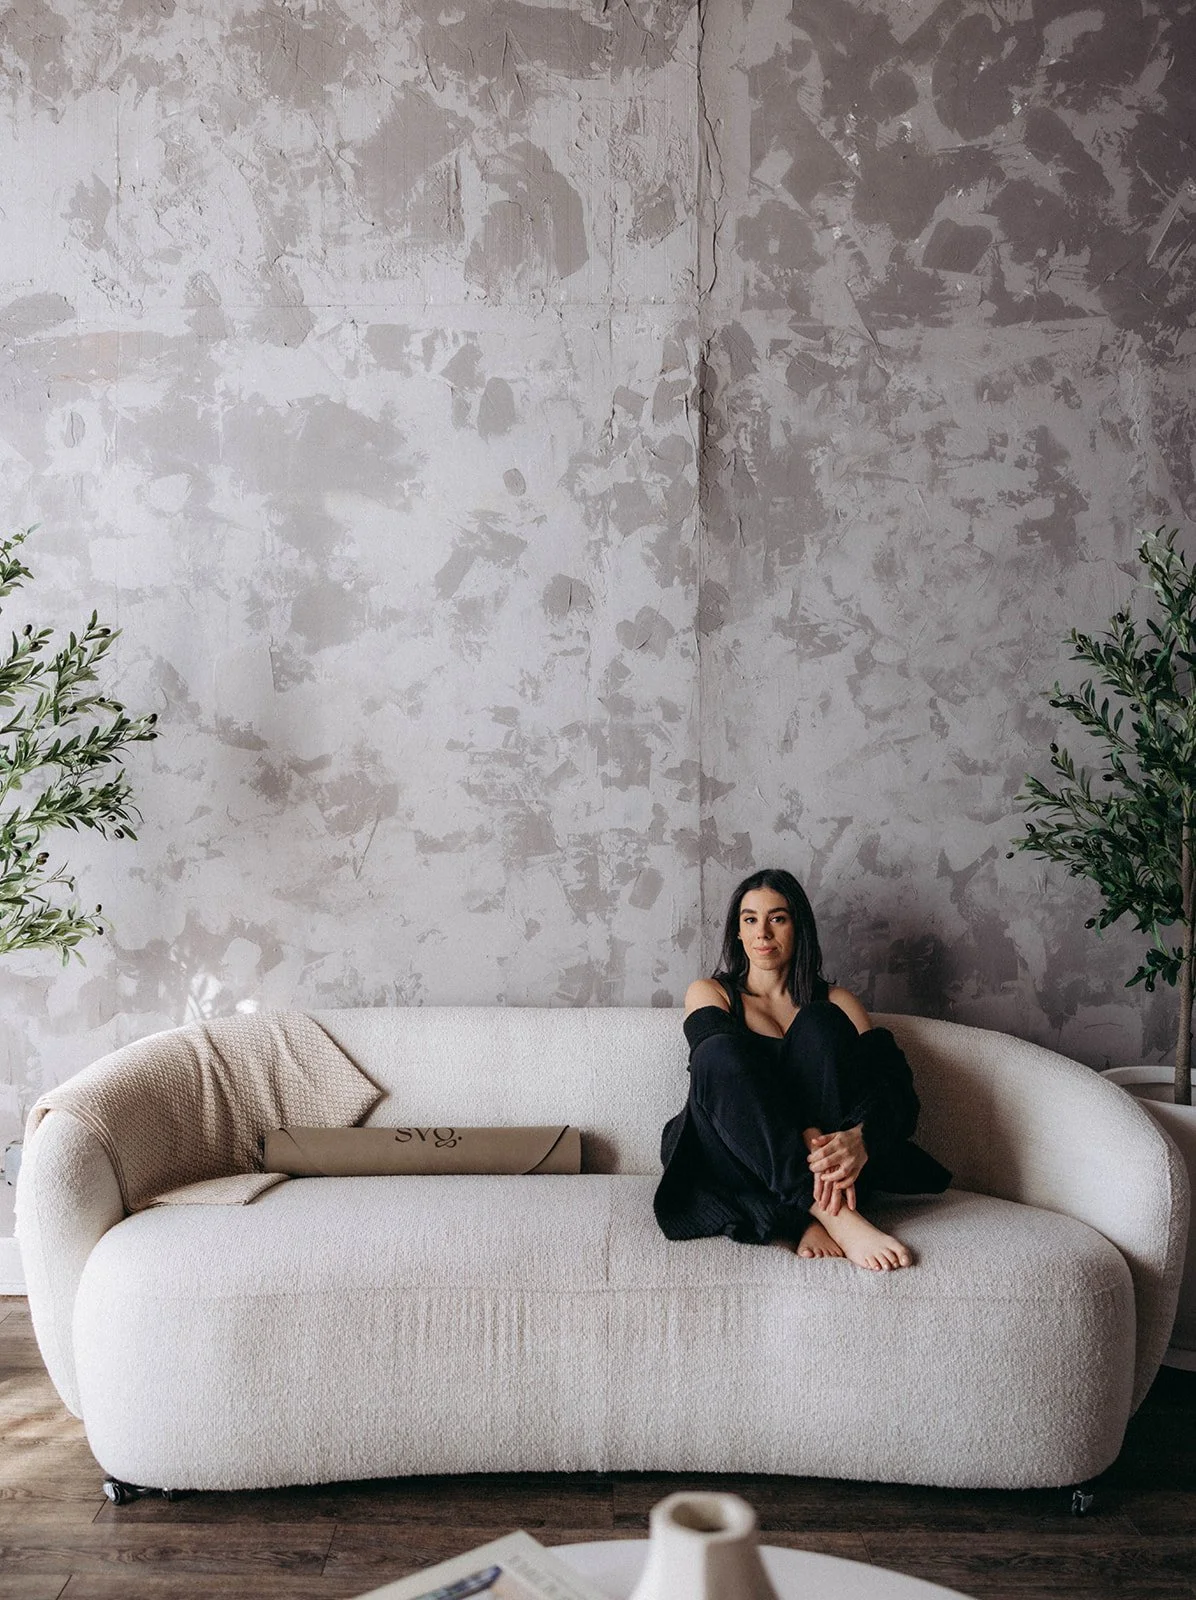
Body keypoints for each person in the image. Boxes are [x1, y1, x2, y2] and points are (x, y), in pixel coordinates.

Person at [653, 868, 951, 1270]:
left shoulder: (837, 1001)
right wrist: (806, 1132)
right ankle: (830, 1215)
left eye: (778, 918)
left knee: (821, 1022)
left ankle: (798, 1215)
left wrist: (861, 1137)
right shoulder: (711, 992)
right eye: (750, 919)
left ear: (799, 928)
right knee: (716, 1053)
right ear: (738, 932)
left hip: (831, 1164)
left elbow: (895, 1088)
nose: (763, 933)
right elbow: (722, 1079)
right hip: (735, 1156)